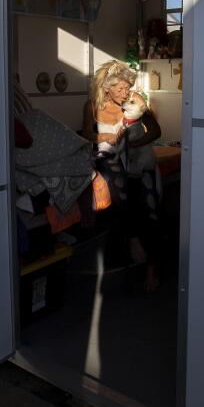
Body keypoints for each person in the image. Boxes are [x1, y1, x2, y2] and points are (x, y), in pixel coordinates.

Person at [81, 60, 162, 291]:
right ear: (106, 87)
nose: (126, 92)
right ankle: (134, 239)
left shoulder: (135, 104)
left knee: (151, 210)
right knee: (119, 184)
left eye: (128, 87)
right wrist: (104, 138)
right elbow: (86, 133)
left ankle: (152, 269)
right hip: (112, 160)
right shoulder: (91, 106)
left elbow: (156, 130)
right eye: (120, 88)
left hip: (138, 160)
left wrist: (138, 141)